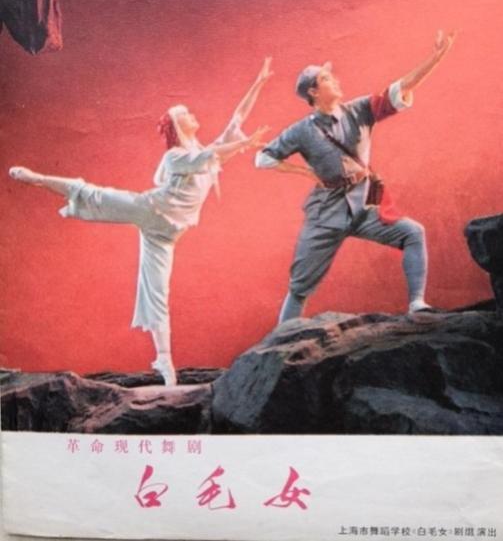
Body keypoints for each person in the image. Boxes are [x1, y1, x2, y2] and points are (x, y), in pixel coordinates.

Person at [9, 58, 273, 386]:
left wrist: (259, 82)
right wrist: (245, 143)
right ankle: (37, 178)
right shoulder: (175, 157)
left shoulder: (206, 152)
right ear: (179, 125)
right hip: (150, 210)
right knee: (95, 195)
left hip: (167, 234)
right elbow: (209, 156)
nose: (193, 115)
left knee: (157, 291)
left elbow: (237, 119)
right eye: (186, 113)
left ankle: (163, 359)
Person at [255, 32, 455, 323]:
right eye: (326, 78)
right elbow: (263, 158)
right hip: (325, 214)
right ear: (313, 92)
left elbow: (398, 90)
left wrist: (434, 58)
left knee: (412, 233)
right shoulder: (301, 131)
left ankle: (417, 304)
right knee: (299, 287)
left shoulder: (359, 110)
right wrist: (304, 171)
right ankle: (281, 342)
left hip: (362, 207)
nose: (335, 81)